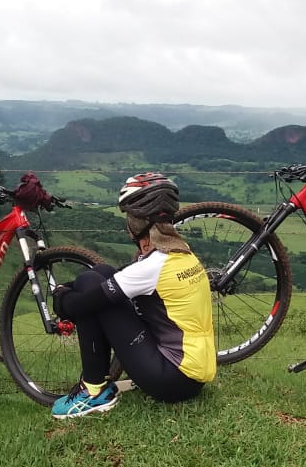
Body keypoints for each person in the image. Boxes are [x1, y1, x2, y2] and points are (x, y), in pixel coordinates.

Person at [51, 172, 216, 419]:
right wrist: (73, 289)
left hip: (172, 379)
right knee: (100, 274)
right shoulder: (182, 254)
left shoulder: (152, 267)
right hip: (193, 375)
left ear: (136, 224)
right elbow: (115, 276)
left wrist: (60, 296)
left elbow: (78, 307)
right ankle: (99, 387)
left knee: (89, 283)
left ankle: (93, 391)